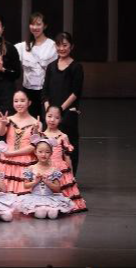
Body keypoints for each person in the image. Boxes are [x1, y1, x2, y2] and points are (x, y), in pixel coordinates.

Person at [42, 32, 84, 173]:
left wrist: (59, 110)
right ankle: (50, 175)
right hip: (51, 113)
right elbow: (45, 91)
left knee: (69, 145)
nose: (62, 48)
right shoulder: (51, 66)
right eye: (59, 45)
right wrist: (49, 111)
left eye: (65, 45)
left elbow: (76, 92)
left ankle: (70, 177)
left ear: (71, 47)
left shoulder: (76, 67)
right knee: (49, 145)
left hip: (68, 112)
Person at [14, 13, 57, 118]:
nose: (35, 27)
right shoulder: (23, 46)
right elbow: (7, 51)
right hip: (28, 91)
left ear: (45, 26)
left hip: (46, 90)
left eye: (38, 24)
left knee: (47, 120)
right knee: (30, 121)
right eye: (32, 24)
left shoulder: (52, 46)